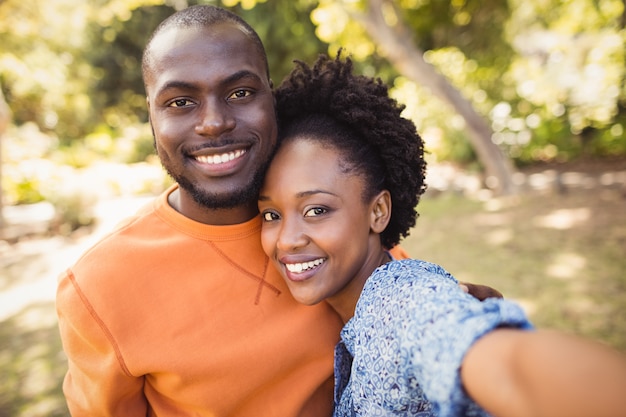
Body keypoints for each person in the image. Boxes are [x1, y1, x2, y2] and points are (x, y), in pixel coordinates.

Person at [55, 5, 498, 416]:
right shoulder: (98, 289)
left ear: (272, 100)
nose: (213, 123)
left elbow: (403, 303)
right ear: (151, 117)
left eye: (241, 91)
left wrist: (462, 318)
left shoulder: (327, 218)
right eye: (180, 102)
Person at [258, 52, 626, 417]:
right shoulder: (351, 320)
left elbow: (513, 368)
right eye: (272, 214)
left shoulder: (399, 300)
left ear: (378, 211)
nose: (288, 239)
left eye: (317, 210)